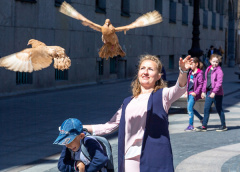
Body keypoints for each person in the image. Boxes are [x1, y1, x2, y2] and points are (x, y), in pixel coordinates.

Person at [83, 54, 192, 172]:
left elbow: (179, 88)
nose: (145, 72)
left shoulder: (163, 95)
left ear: (158, 76)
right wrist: (81, 127)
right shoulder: (128, 102)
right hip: (130, 156)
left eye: (150, 69)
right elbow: (110, 125)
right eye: (142, 68)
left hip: (155, 156)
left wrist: (183, 71)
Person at [195, 54, 227, 132]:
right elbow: (205, 80)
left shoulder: (219, 71)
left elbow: (219, 82)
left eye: (217, 62)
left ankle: (223, 125)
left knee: (219, 109)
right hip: (209, 92)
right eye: (213, 61)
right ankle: (204, 126)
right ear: (210, 61)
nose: (215, 63)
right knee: (206, 108)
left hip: (217, 93)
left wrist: (214, 92)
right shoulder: (208, 69)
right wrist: (203, 91)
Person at [185, 57, 204, 131]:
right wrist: (186, 90)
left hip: (193, 94)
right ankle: (201, 118)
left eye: (192, 64)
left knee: (189, 109)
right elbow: (188, 83)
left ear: (196, 64)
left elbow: (200, 84)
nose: (190, 66)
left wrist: (196, 93)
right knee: (190, 108)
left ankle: (191, 125)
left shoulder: (199, 73)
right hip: (189, 92)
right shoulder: (190, 72)